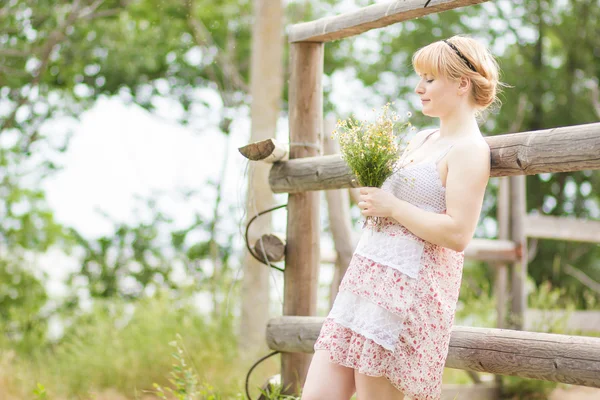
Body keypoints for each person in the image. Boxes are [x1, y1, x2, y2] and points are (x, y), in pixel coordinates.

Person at [301, 35, 501, 400]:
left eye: (429, 78)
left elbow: (458, 233)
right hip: (366, 282)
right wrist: (374, 202)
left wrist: (393, 207)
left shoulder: (470, 151)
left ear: (461, 83)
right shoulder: (421, 139)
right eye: (419, 77)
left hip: (406, 293)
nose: (418, 87)